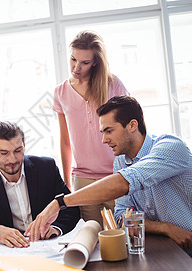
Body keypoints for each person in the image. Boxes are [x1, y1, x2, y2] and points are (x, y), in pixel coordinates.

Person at [26, 96, 192, 271]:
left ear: (132, 125)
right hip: (163, 266)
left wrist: (60, 202)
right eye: (102, 132)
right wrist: (165, 227)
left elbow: (123, 184)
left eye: (109, 131)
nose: (104, 140)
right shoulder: (121, 162)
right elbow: (121, 217)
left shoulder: (170, 147)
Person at [0, 121, 80, 248]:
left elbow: (71, 209)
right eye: (4, 153)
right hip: (9, 252)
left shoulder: (46, 168)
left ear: (24, 145)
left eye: (18, 151)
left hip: (47, 247)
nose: (12, 159)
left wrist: (56, 228)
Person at [53, 30, 129, 228]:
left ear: (95, 62)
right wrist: (67, 181)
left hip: (116, 175)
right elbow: (65, 141)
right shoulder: (60, 92)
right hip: (82, 178)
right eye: (73, 59)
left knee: (122, 237)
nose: (76, 67)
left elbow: (131, 129)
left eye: (84, 62)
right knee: (91, 239)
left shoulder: (113, 84)